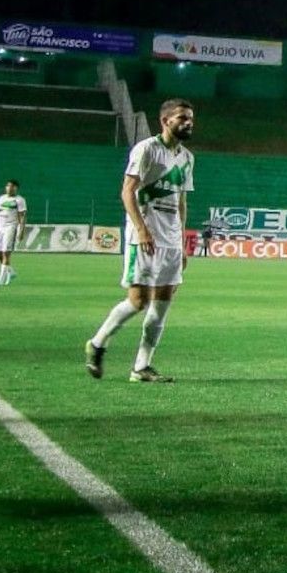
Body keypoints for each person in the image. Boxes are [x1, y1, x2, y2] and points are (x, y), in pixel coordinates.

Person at [84, 99, 196, 383]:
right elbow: (127, 192)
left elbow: (181, 202)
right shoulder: (146, 149)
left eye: (191, 118)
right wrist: (142, 230)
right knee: (138, 301)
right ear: (165, 121)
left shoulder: (187, 157)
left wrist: (182, 241)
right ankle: (97, 343)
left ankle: (142, 366)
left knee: (163, 303)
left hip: (171, 240)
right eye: (182, 118)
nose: (188, 123)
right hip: (144, 237)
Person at [0, 179, 25, 285]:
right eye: (8, 186)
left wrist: (21, 231)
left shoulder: (19, 200)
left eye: (12, 186)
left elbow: (22, 216)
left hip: (10, 227)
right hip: (0, 227)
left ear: (16, 188)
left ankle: (1, 279)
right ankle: (11, 272)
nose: (9, 188)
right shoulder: (2, 198)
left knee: (6, 252)